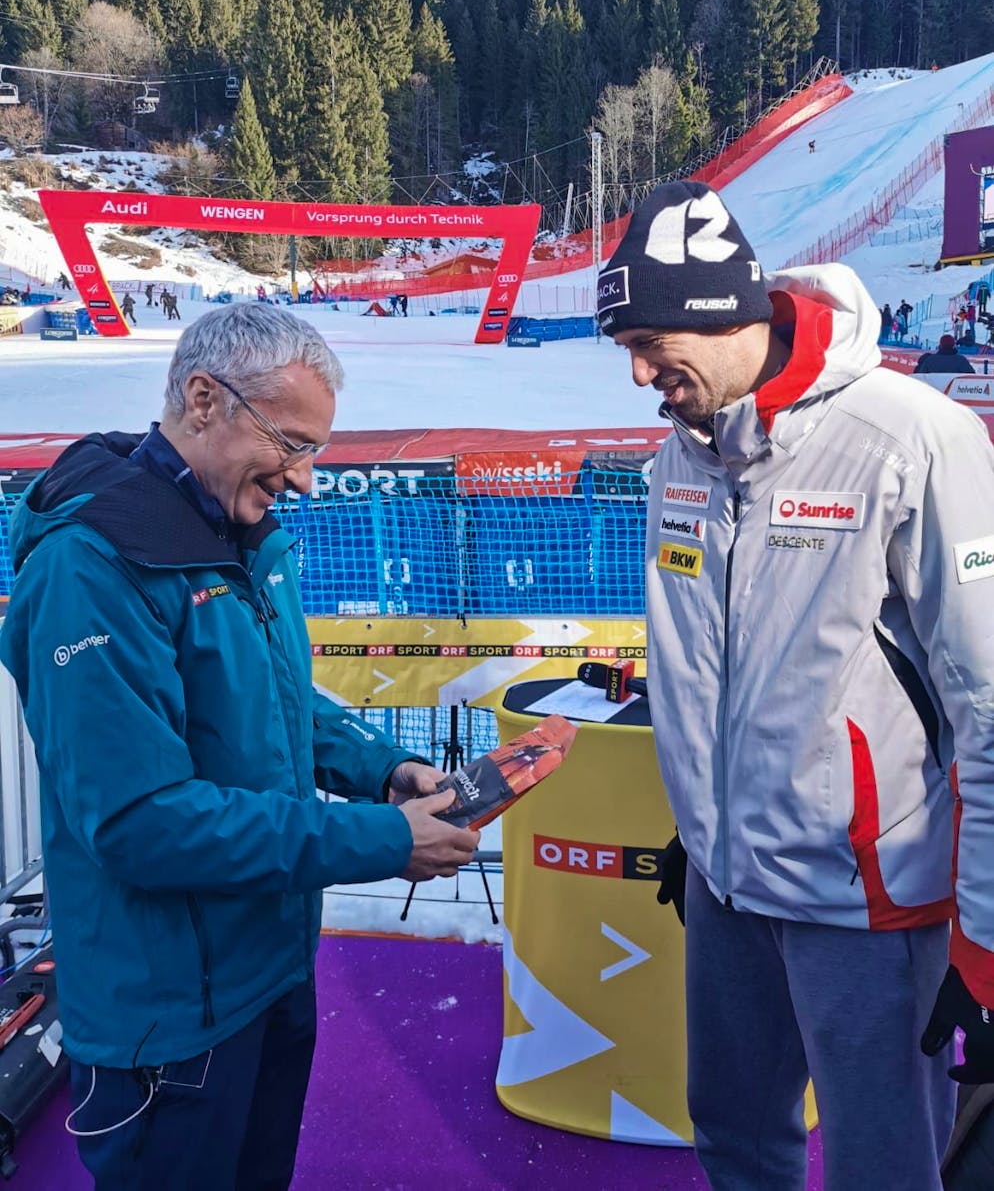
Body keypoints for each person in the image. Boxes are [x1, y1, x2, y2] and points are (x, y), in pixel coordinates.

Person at [0, 303, 479, 1190]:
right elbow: (142, 822)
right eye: (290, 444)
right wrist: (382, 839)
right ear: (203, 399)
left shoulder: (239, 529)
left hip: (269, 973)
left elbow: (273, 700)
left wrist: (383, 768)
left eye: (314, 450)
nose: (304, 479)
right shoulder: (89, 568)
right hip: (169, 1017)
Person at [596, 179, 994, 1190]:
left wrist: (987, 939)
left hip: (866, 901)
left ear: (717, 314)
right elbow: (711, 667)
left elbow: (989, 703)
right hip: (725, 884)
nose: (638, 373)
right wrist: (703, 823)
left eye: (649, 342)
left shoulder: (912, 437)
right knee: (731, 1133)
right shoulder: (677, 459)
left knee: (882, 1165)